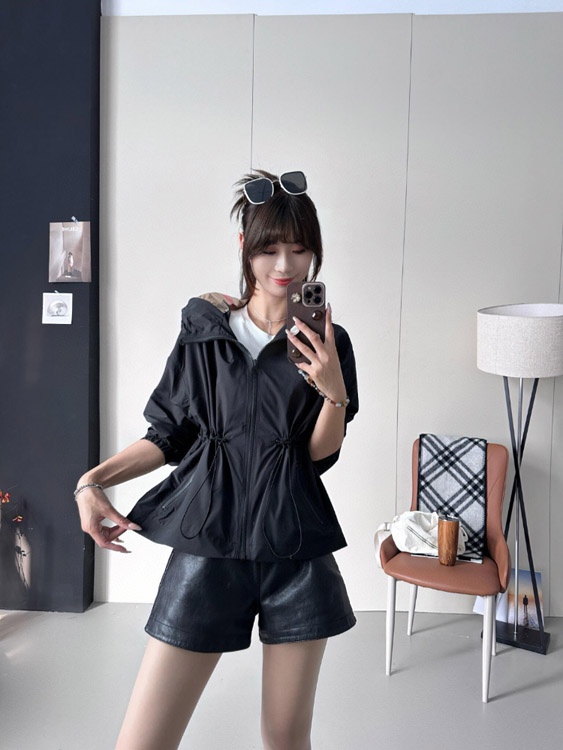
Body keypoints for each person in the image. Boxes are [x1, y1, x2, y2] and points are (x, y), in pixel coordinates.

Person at [75, 169, 359, 750]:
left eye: (300, 249)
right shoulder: (205, 334)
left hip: (296, 555)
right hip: (208, 549)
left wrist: (334, 392)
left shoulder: (330, 342)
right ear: (244, 247)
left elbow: (316, 456)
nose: (285, 265)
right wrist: (92, 480)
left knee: (286, 739)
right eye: (270, 250)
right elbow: (169, 434)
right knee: (141, 741)